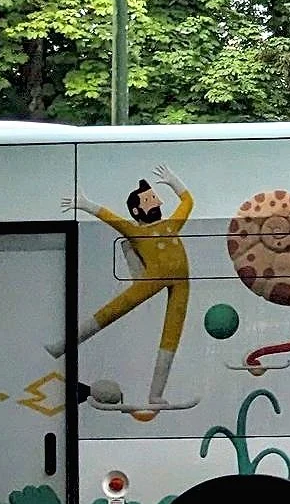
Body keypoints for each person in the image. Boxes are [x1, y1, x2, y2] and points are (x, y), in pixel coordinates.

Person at [52, 165, 194, 414]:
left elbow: (187, 201)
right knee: (111, 312)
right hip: (152, 279)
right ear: (139, 210)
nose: (157, 203)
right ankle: (62, 345)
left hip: (180, 284)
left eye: (155, 198)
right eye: (150, 200)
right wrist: (85, 204)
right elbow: (113, 219)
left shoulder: (172, 225)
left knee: (172, 333)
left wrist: (173, 181)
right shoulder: (137, 232)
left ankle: (156, 395)